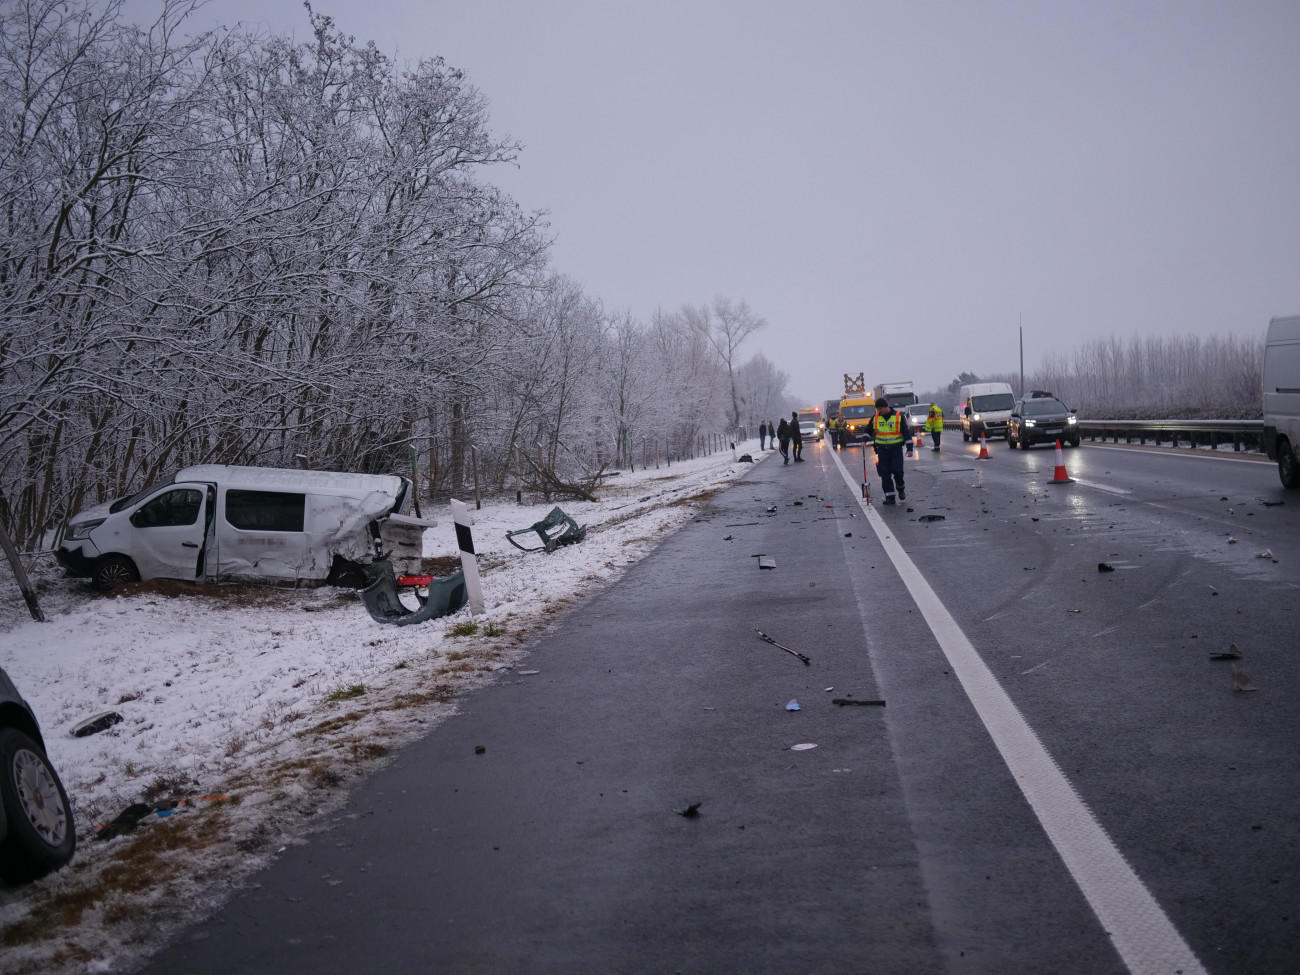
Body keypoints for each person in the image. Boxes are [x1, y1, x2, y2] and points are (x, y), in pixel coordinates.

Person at [869, 397, 913, 505]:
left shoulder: (898, 416)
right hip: (882, 451)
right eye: (877, 409)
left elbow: (906, 433)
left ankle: (900, 488)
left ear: (885, 407)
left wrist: (910, 448)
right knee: (885, 474)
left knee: (897, 471)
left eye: (880, 409)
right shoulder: (875, 418)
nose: (879, 411)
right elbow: (868, 430)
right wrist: (864, 440)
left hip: (896, 450)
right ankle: (890, 497)